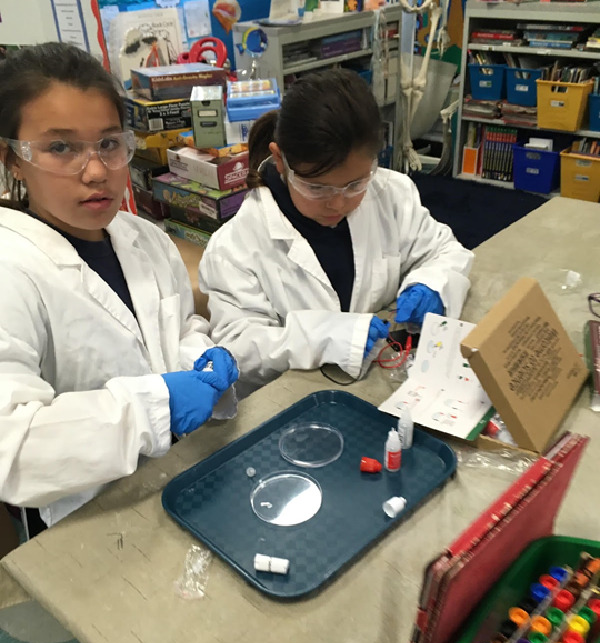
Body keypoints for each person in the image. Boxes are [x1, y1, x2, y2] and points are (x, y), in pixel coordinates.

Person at [0, 42, 238, 532]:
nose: (95, 171)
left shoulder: (142, 237)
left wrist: (200, 355)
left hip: (180, 479)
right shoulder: (11, 271)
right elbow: (13, 449)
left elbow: (181, 323)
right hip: (86, 521)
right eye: (60, 147)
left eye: (109, 144)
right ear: (13, 159)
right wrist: (155, 407)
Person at [199, 68, 473, 398]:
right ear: (280, 160)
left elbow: (443, 250)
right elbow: (240, 348)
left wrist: (432, 283)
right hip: (297, 405)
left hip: (385, 386)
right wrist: (326, 336)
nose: (338, 203)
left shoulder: (391, 194)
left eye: (355, 184)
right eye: (317, 187)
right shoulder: (235, 246)